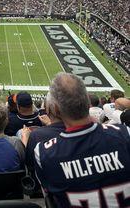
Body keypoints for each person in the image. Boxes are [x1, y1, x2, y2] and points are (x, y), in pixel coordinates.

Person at [34, 73, 130, 208]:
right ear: (88, 102)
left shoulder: (44, 153)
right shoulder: (124, 135)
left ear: (55, 109)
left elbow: (49, 194)